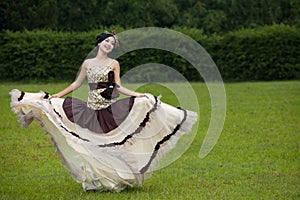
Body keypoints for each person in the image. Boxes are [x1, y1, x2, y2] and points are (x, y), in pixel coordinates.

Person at [10, 31, 198, 192]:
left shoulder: (114, 63)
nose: (109, 44)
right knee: (90, 142)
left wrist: (137, 94)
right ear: (99, 43)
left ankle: (116, 177)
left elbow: (118, 86)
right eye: (107, 41)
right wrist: (56, 95)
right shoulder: (87, 63)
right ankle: (98, 179)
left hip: (109, 109)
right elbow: (76, 84)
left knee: (121, 131)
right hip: (90, 109)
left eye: (112, 43)